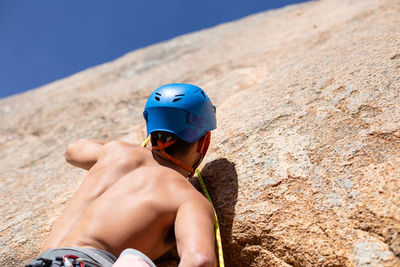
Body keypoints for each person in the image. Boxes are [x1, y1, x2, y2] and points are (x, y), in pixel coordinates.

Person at [26, 83, 217, 267]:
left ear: (150, 130)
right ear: (203, 142)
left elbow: (72, 151)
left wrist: (130, 147)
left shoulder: (114, 152)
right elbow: (199, 260)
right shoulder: (185, 196)